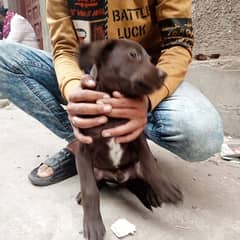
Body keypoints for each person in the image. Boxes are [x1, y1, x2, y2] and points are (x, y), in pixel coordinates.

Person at [0, 0, 223, 186]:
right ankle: (86, 144)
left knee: (202, 134)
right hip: (89, 74)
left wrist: (147, 100)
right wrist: (74, 90)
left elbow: (178, 44)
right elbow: (65, 49)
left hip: (146, 74)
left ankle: (127, 141)